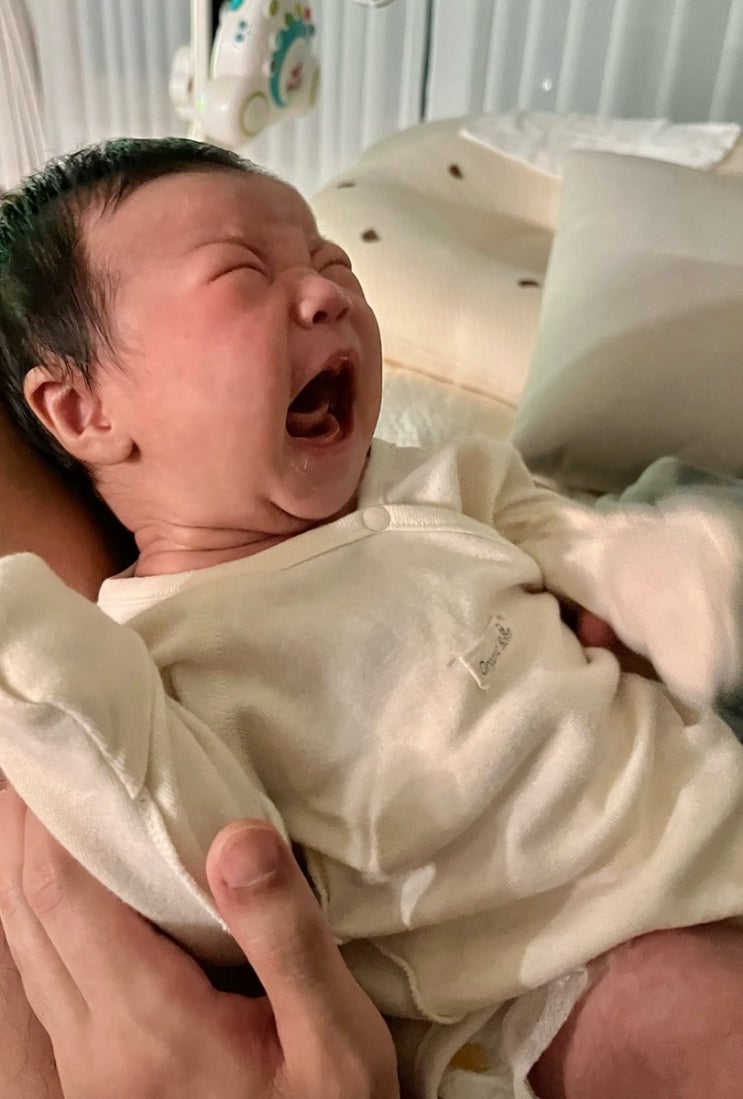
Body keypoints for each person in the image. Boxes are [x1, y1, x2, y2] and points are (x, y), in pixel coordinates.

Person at [1, 137, 743, 1098]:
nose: (324, 292)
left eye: (331, 260)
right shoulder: (156, 655)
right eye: (242, 273)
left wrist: (649, 573)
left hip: (707, 810)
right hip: (551, 978)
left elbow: (555, 527)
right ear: (83, 411)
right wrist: (36, 655)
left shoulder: (434, 479)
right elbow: (180, 842)